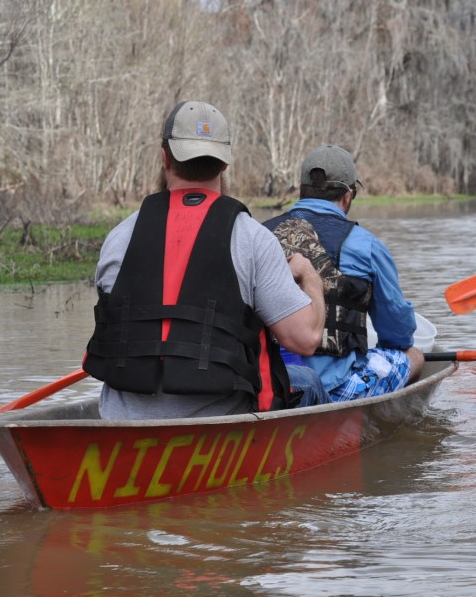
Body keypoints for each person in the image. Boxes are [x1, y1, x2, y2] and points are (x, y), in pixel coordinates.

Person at [83, 100, 327, 420]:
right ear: (225, 164)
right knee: (307, 380)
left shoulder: (118, 238)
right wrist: (311, 279)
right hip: (219, 424)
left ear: (164, 157)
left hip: (121, 423)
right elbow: (305, 340)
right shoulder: (252, 239)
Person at [263, 144, 424, 402]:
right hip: (335, 388)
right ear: (348, 196)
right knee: (414, 356)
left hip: (268, 382)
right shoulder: (367, 246)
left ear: (302, 190)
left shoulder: (258, 234)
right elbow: (396, 333)